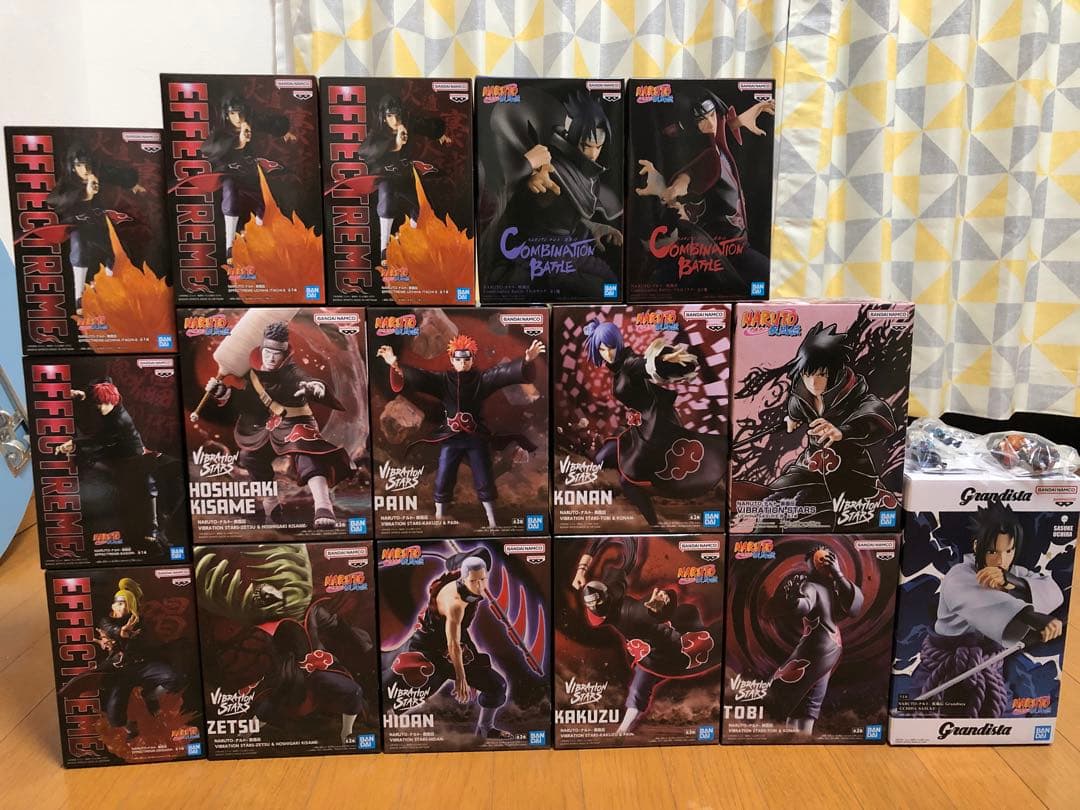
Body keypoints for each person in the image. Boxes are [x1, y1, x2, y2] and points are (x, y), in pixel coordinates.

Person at [376, 334, 544, 528]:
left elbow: (503, 373)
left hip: (475, 437)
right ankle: (439, 516)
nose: (462, 362)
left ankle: (492, 521)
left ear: (472, 359)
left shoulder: (482, 380)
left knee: (484, 478)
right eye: (458, 358)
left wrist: (526, 361)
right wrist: (394, 364)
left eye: (466, 358)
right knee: (444, 476)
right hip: (451, 438)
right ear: (452, 359)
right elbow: (418, 377)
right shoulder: (442, 381)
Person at [914, 503, 1064, 717]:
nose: (1001, 560)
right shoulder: (959, 575)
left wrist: (1013, 581)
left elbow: (1053, 591)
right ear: (978, 546)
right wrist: (1037, 619)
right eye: (993, 551)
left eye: (1009, 551)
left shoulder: (1013, 573)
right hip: (943, 668)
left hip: (990, 669)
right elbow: (986, 602)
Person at [203, 322, 352, 529]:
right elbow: (249, 403)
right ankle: (271, 505)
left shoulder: (291, 371)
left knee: (307, 453)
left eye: (277, 354)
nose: (272, 358)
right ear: (261, 350)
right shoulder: (252, 374)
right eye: (268, 353)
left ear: (284, 354)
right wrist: (223, 392)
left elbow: (303, 379)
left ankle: (323, 506)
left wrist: (314, 387)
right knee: (249, 457)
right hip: (268, 429)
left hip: (295, 423)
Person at [583, 321, 725, 529]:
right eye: (602, 349)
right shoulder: (619, 369)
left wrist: (664, 362)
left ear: (619, 344)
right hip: (640, 425)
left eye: (611, 347)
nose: (607, 354)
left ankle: (655, 526)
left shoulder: (629, 364)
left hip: (654, 429)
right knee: (601, 458)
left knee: (627, 480)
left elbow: (646, 366)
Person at [571, 537, 720, 735]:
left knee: (638, 689)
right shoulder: (613, 586)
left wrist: (657, 608)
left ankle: (621, 732)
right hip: (654, 646)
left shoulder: (631, 612)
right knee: (638, 688)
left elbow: (647, 611)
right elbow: (628, 548)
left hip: (666, 652)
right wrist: (582, 569)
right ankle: (622, 731)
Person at [763, 321, 897, 528]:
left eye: (821, 374)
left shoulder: (855, 396)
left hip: (852, 469)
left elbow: (876, 416)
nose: (813, 383)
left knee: (852, 520)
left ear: (834, 372)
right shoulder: (801, 397)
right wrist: (791, 420)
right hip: (811, 465)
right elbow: (796, 411)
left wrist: (842, 432)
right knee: (770, 500)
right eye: (808, 374)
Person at [635, 89, 773, 288]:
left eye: (712, 115)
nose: (710, 123)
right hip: (724, 252)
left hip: (736, 244)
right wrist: (673, 188)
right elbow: (688, 176)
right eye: (701, 120)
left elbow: (723, 125)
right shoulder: (708, 156)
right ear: (693, 125)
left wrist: (742, 119)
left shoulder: (718, 144)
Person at [383, 552, 514, 739]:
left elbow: (460, 635)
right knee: (404, 692)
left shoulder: (467, 578)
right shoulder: (455, 604)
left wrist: (474, 665)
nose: (479, 586)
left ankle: (485, 728)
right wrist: (462, 678)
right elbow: (453, 644)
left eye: (483, 580)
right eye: (474, 581)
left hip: (455, 644)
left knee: (497, 685)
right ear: (463, 578)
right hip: (428, 651)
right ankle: (383, 725)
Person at [55, 379, 170, 552]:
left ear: (113, 400)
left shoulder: (120, 420)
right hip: (117, 451)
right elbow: (99, 386)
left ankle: (152, 533)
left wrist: (74, 443)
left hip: (132, 455)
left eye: (104, 403)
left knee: (145, 492)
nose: (102, 408)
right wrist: (81, 394)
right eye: (98, 403)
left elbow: (100, 438)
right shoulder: (107, 396)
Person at [763, 544, 864, 735]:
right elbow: (805, 604)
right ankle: (797, 738)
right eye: (820, 560)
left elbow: (855, 607)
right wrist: (794, 600)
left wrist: (838, 575)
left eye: (829, 559)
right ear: (811, 564)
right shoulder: (811, 586)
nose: (825, 563)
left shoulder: (836, 586)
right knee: (804, 697)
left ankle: (796, 737)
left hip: (822, 647)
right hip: (822, 647)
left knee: (797, 693)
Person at [46, 144, 146, 312]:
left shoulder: (96, 172)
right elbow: (53, 200)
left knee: (118, 251)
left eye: (87, 165)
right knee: (79, 246)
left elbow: (115, 173)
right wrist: (84, 194)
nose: (85, 170)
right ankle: (79, 297)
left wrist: (132, 184)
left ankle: (102, 286)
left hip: (97, 222)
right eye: (79, 165)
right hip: (77, 224)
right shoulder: (68, 182)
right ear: (73, 167)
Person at [357, 94, 452, 264]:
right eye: (390, 116)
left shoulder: (408, 122)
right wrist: (394, 144)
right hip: (386, 176)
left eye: (397, 115)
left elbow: (425, 125)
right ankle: (384, 250)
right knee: (386, 203)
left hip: (406, 175)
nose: (394, 120)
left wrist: (439, 133)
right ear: (383, 117)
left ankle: (409, 238)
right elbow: (364, 151)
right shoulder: (377, 132)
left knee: (423, 207)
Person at [199, 95, 296, 259]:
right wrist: (238, 141)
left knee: (267, 201)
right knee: (230, 192)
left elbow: (269, 122)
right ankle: (230, 246)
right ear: (226, 115)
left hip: (249, 172)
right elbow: (207, 148)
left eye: (240, 113)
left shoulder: (250, 121)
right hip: (230, 173)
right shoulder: (221, 131)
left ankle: (257, 237)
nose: (237, 118)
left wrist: (284, 131)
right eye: (233, 114)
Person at [93, 578, 187, 740]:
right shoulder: (106, 621)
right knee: (114, 714)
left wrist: (128, 635)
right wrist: (120, 633)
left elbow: (140, 640)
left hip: (142, 665)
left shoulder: (138, 621)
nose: (121, 607)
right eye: (118, 603)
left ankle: (150, 695)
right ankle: (131, 729)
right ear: (113, 605)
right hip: (122, 671)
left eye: (125, 604)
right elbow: (110, 628)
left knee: (175, 678)